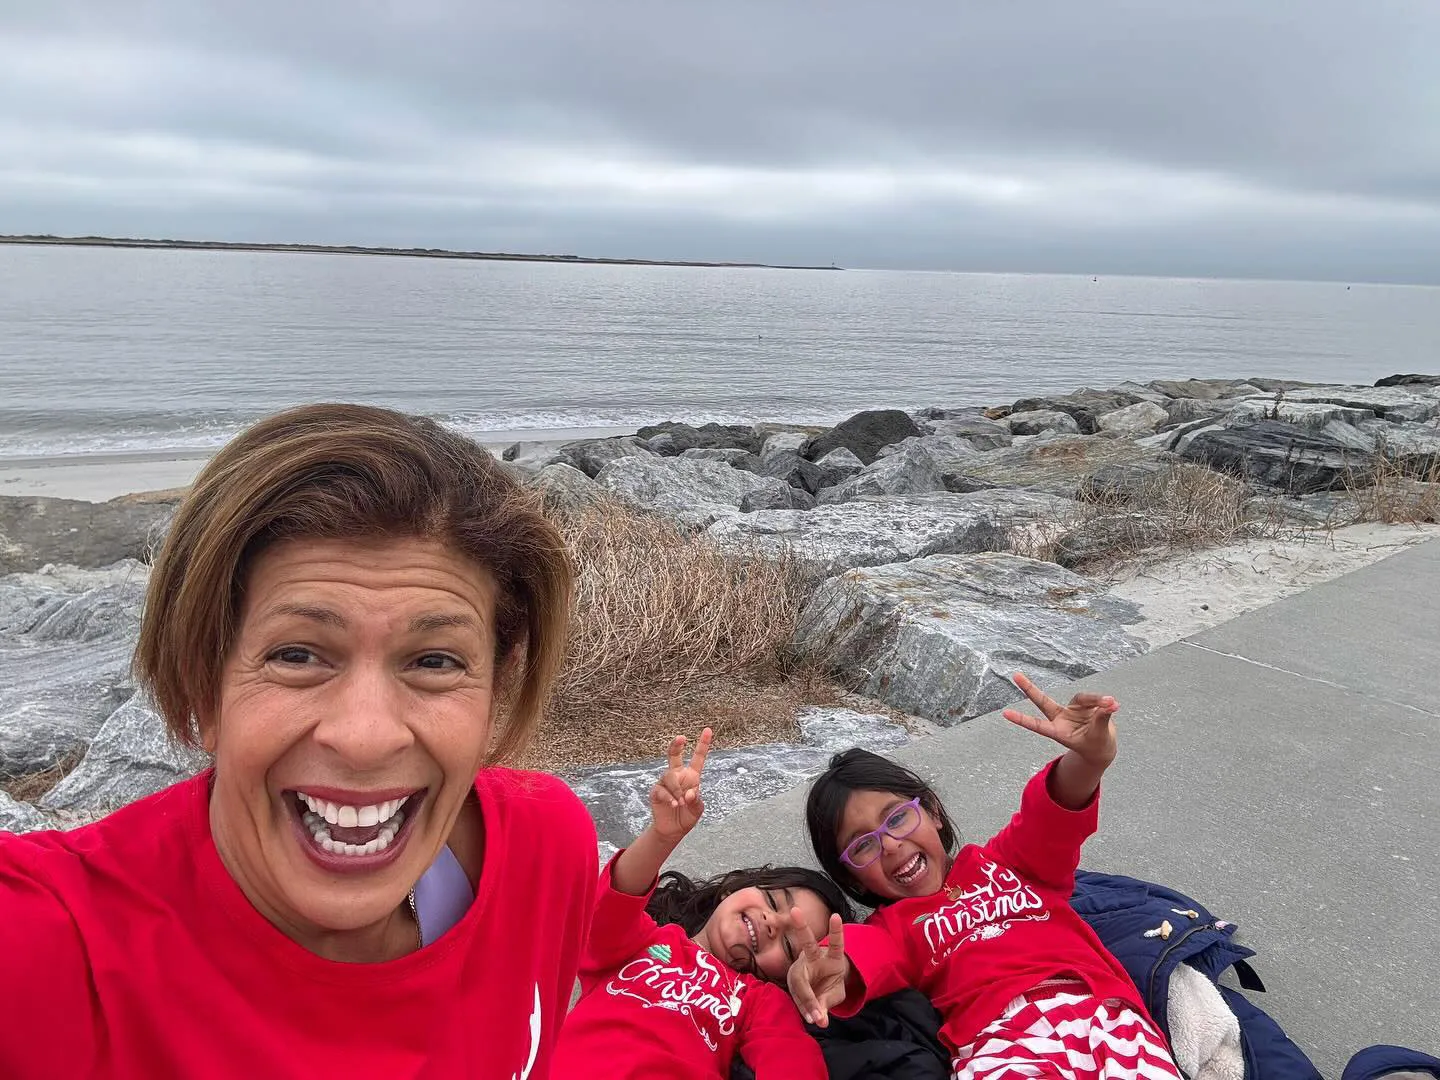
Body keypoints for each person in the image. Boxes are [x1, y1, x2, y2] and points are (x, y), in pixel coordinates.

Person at [0, 404, 598, 1079]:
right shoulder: (49, 942)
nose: (365, 738)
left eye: (434, 661)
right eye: (297, 655)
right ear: (203, 684)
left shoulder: (542, 851)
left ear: (496, 687)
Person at [788, 673, 1184, 1080]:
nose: (889, 844)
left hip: (1105, 1013)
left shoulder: (1009, 862)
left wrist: (1089, 760)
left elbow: (1051, 815)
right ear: (854, 880)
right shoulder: (893, 928)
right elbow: (859, 950)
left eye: (897, 818)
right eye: (862, 846)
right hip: (1001, 1042)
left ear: (933, 812)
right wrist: (829, 966)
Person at [553, 728, 851, 1079]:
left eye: (789, 944)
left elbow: (792, 1058)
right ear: (733, 889)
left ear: (786, 976)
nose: (772, 922)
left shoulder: (760, 1001)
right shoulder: (643, 942)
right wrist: (662, 836)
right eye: (773, 900)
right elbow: (610, 908)